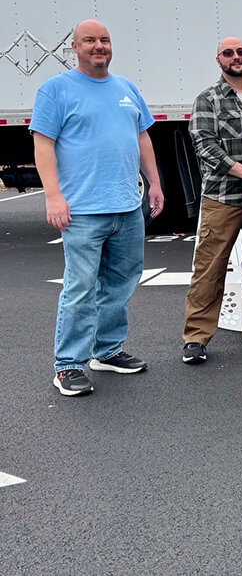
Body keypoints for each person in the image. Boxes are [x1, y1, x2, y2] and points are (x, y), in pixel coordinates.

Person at [31, 19, 162, 396]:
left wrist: (154, 184)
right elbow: (43, 146)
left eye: (104, 40)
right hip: (83, 209)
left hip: (126, 206)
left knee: (121, 282)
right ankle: (68, 365)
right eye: (90, 40)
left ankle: (106, 351)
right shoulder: (56, 90)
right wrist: (53, 196)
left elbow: (142, 137)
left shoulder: (126, 88)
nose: (99, 46)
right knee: (80, 286)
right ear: (74, 46)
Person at [182, 37, 242, 365]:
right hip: (223, 197)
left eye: (241, 52)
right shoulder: (207, 99)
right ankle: (196, 336)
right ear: (219, 60)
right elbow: (204, 144)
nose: (235, 58)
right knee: (210, 268)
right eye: (228, 53)